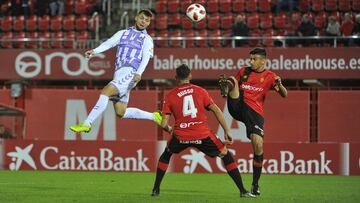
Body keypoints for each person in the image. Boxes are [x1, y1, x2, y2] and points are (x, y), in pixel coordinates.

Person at [151, 64, 255, 198]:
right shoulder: (200, 91)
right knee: (225, 154)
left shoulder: (170, 96)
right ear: (190, 76)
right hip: (202, 134)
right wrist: (227, 130)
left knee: (166, 154)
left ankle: (155, 189)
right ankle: (242, 190)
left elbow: (164, 123)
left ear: (176, 78)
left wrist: (170, 129)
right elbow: (216, 110)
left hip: (180, 135)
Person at [70, 9, 162, 133]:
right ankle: (154, 116)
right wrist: (94, 51)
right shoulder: (122, 33)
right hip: (119, 72)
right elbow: (109, 43)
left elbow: (146, 58)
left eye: (147, 20)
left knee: (106, 92)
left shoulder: (146, 39)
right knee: (120, 112)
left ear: (149, 23)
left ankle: (87, 123)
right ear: (136, 18)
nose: (143, 21)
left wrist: (139, 73)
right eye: (141, 18)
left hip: (130, 72)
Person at [218, 48, 287, 196]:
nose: (251, 61)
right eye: (250, 59)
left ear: (263, 61)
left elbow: (284, 94)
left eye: (254, 59)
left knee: (258, 145)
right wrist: (229, 86)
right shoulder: (244, 71)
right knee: (231, 79)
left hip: (254, 113)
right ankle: (225, 89)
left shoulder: (270, 76)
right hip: (238, 106)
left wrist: (279, 85)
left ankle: (255, 184)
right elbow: (235, 83)